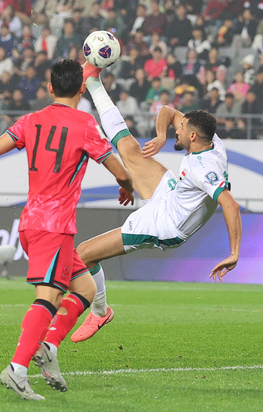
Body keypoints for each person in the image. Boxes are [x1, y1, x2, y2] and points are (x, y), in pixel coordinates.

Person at [0, 59, 134, 401]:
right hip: (53, 226)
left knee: (84, 288)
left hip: (33, 222)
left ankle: (49, 347)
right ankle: (18, 369)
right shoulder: (85, 124)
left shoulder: (31, 120)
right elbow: (120, 168)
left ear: (50, 87)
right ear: (82, 89)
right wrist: (126, 185)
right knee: (50, 296)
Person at [66, 62, 242, 343]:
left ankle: (100, 312)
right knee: (128, 147)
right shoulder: (211, 140)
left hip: (165, 224)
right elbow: (168, 111)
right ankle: (94, 82)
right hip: (171, 195)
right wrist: (161, 135)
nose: (177, 130)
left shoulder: (203, 170)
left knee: (83, 254)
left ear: (192, 136)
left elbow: (230, 205)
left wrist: (234, 252)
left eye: (181, 130)